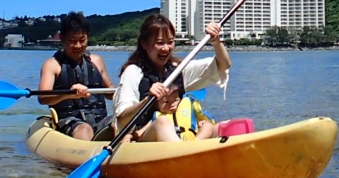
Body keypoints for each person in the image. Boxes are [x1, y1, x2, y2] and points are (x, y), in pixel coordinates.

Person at [114, 13, 230, 142]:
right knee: (162, 122)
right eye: (159, 43)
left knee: (221, 128)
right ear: (144, 44)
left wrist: (216, 41)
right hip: (144, 139)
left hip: (179, 136)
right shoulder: (133, 72)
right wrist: (147, 100)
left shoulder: (178, 69)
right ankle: (185, 154)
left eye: (170, 42)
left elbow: (223, 65)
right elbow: (122, 118)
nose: (166, 48)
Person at [37, 12, 114, 141]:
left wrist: (125, 91)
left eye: (82, 40)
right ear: (62, 38)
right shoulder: (52, 65)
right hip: (69, 121)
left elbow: (109, 90)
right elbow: (43, 97)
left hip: (99, 119)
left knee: (122, 121)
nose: (78, 45)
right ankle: (85, 156)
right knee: (84, 129)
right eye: (72, 41)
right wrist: (69, 94)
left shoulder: (97, 61)